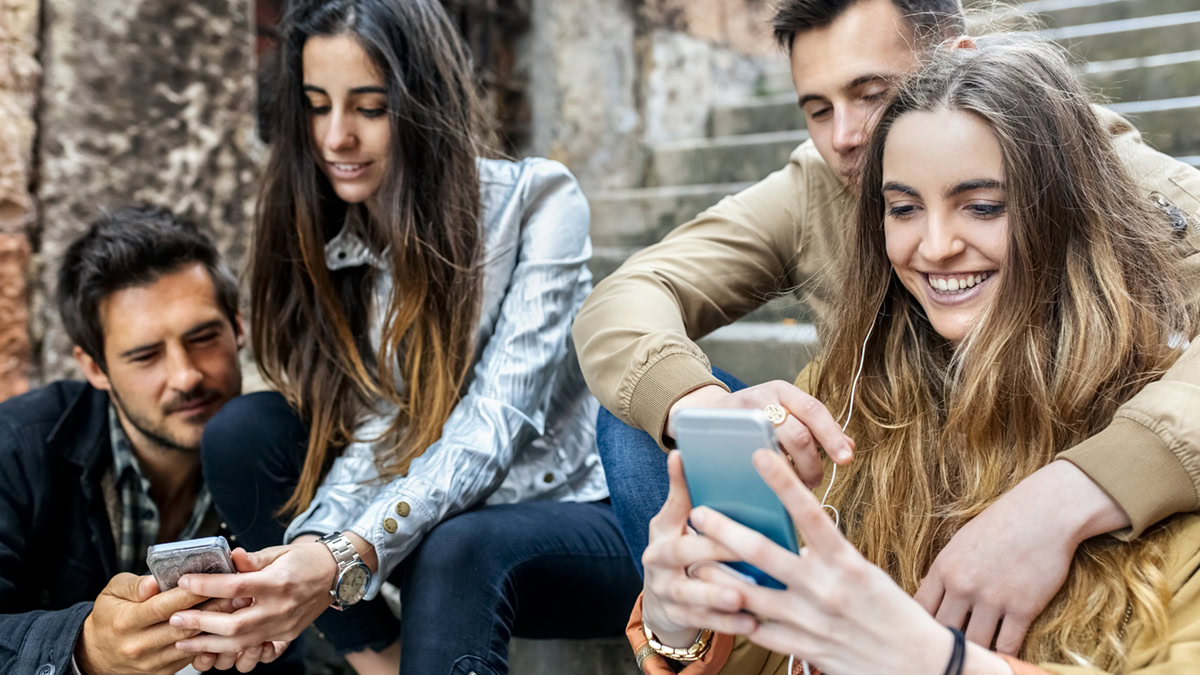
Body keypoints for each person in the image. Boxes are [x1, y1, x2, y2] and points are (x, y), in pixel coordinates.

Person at [573, 0, 1200, 654]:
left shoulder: (1085, 162)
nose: (843, 135)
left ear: (955, 63)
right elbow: (628, 296)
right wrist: (704, 414)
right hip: (880, 448)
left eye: (870, 94)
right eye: (817, 109)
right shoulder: (822, 186)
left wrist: (1075, 492)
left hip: (1066, 451)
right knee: (644, 416)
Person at [166, 1, 641, 673]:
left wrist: (340, 555)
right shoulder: (352, 237)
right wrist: (303, 554)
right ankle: (380, 660)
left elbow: (493, 424)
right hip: (443, 520)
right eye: (316, 105)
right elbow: (380, 432)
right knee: (246, 432)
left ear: (421, 104)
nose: (334, 138)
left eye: (369, 107)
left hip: (587, 516)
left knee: (454, 541)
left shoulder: (539, 201)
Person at [0, 205, 293, 674]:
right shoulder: (15, 448)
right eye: (145, 355)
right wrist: (84, 651)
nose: (186, 376)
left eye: (202, 337)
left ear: (238, 327)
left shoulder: (284, 452)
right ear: (94, 367)